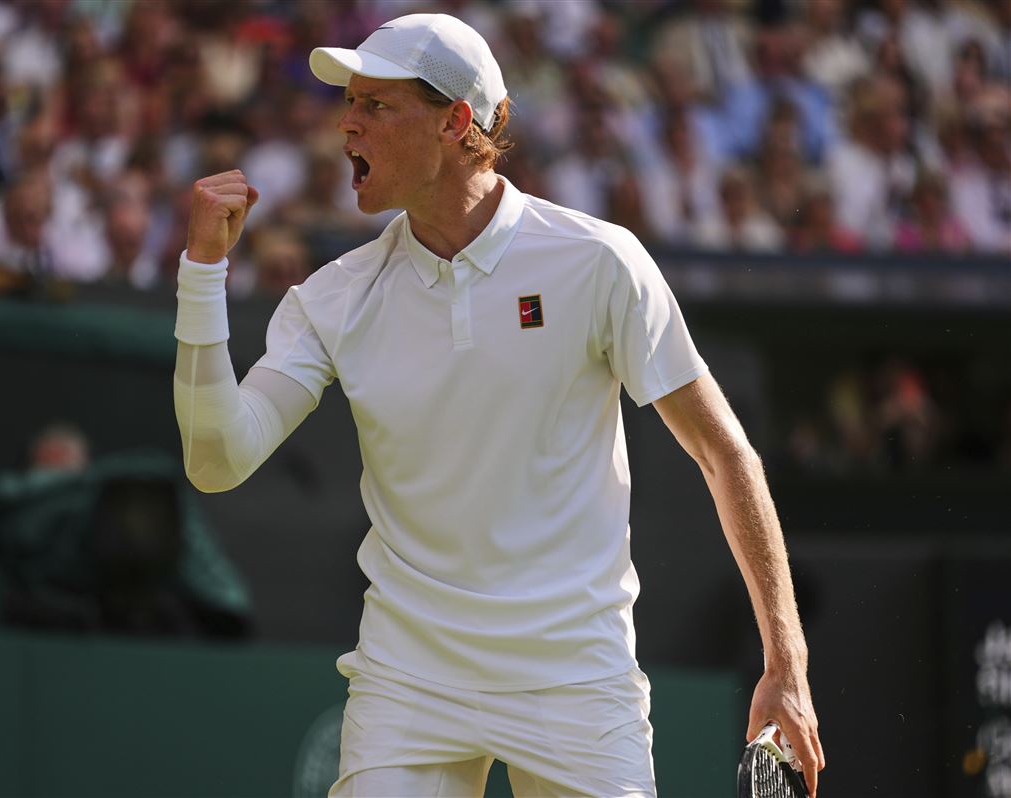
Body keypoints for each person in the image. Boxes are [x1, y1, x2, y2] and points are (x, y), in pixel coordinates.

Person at [172, 13, 823, 797]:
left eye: (376, 105)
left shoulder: (599, 262)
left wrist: (786, 662)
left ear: (455, 122)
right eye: (350, 102)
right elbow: (216, 461)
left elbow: (726, 455)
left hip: (576, 679)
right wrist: (203, 270)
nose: (346, 121)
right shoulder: (332, 299)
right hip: (408, 683)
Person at [0, 424, 254, 640]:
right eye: (44, 483)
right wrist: (3, 602)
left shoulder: (124, 525)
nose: (55, 497)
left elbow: (226, 609)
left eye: (68, 485)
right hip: (11, 661)